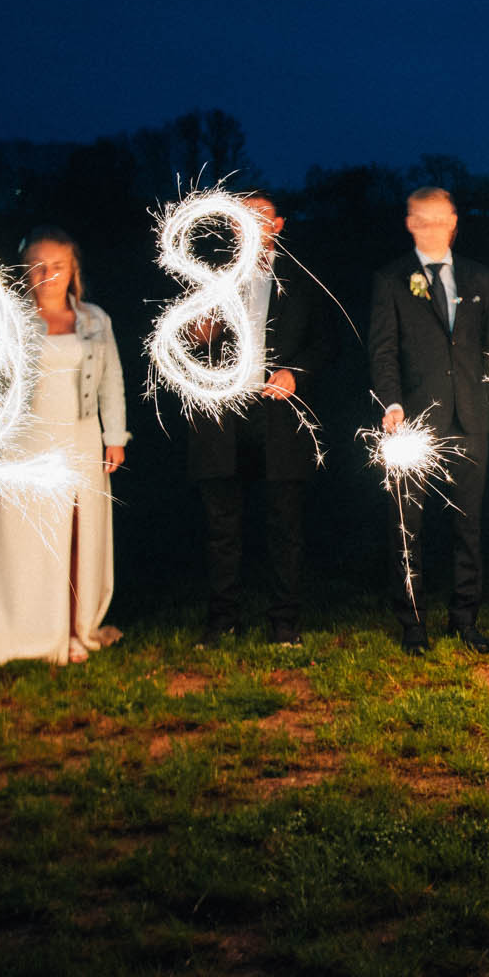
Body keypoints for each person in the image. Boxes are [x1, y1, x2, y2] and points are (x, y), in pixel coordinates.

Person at [0, 227, 128, 667]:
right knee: (31, 539)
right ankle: (26, 627)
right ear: (26, 271)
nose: (48, 274)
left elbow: (112, 381)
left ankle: (71, 631)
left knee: (75, 533)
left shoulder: (95, 320)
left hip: (81, 438)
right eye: (38, 266)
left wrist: (115, 437)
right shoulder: (9, 321)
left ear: (73, 271)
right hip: (25, 443)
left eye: (58, 266)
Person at [187, 192, 335, 649]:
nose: (250, 224)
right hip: (223, 417)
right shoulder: (212, 279)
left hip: (278, 415)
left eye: (261, 217)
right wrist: (199, 335)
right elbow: (187, 343)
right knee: (222, 527)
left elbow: (326, 343)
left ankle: (283, 623)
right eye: (241, 218)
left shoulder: (303, 280)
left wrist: (296, 374)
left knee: (284, 526)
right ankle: (221, 621)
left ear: (279, 226)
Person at [369, 185, 489, 655]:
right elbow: (382, 352)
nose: (432, 226)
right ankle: (412, 624)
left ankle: (465, 619)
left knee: (468, 525)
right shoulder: (391, 279)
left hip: (470, 417)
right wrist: (391, 403)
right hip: (413, 424)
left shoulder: (479, 277)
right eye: (421, 219)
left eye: (440, 217)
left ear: (454, 220)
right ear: (409, 223)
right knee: (407, 526)